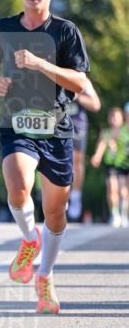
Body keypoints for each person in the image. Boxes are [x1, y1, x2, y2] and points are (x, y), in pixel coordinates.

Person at [0, 0, 89, 314]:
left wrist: (41, 64)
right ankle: (29, 239)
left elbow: (81, 82)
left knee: (55, 212)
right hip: (18, 122)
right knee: (18, 183)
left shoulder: (66, 31)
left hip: (55, 127)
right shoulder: (4, 27)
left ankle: (45, 276)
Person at [66, 78, 101, 221]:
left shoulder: (82, 80)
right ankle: (57, 195)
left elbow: (96, 104)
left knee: (76, 161)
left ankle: (75, 196)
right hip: (55, 124)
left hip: (77, 127)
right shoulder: (50, 72)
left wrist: (77, 96)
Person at [90, 106, 129, 227]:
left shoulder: (126, 131)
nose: (114, 120)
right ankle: (115, 214)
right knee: (112, 188)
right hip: (111, 164)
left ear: (122, 118)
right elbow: (102, 144)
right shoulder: (106, 132)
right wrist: (97, 156)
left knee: (123, 190)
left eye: (116, 117)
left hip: (124, 165)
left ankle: (124, 214)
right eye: (111, 117)